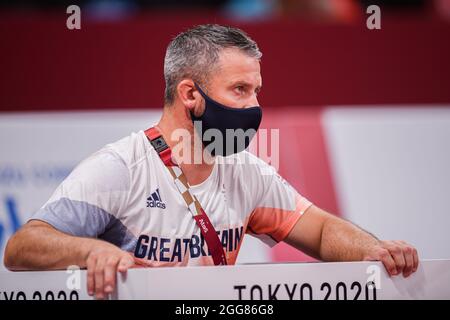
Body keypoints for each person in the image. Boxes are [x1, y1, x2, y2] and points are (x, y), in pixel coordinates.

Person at [4, 24, 419, 299]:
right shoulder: (120, 167)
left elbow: (324, 229)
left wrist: (375, 249)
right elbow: (21, 247)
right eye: (240, 89)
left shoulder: (246, 172)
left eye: (256, 91)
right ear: (189, 94)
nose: (254, 106)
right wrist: (90, 251)